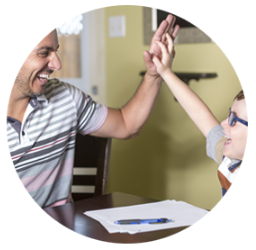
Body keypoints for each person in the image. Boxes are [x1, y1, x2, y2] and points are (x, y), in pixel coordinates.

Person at [6, 15, 180, 208]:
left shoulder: (66, 97)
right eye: (44, 53)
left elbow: (127, 125)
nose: (57, 64)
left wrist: (154, 74)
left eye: (55, 51)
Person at [152, 33, 248, 196]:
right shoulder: (231, 158)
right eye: (228, 115)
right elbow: (200, 115)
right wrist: (166, 72)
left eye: (234, 120)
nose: (224, 122)